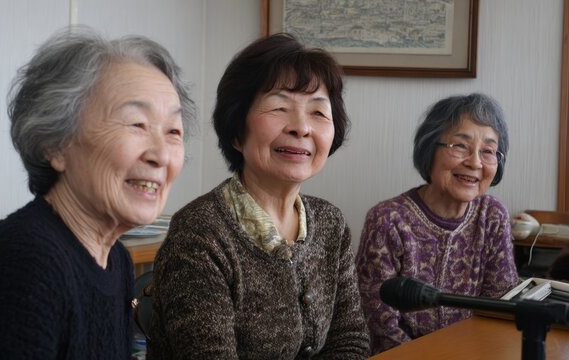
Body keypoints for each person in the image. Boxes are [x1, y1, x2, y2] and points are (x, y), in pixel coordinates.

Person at [0, 26, 196, 359]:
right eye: (137, 124)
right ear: (56, 143)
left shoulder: (116, 260)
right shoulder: (24, 263)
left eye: (173, 131)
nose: (161, 154)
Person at [147, 33, 370, 359]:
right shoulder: (200, 235)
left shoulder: (329, 223)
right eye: (280, 107)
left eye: (318, 113)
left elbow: (349, 341)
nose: (302, 128)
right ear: (237, 131)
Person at [355, 93, 519, 354]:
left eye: (488, 151)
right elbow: (379, 324)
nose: (475, 162)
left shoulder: (492, 216)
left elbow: (499, 308)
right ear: (429, 149)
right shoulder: (388, 220)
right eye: (460, 146)